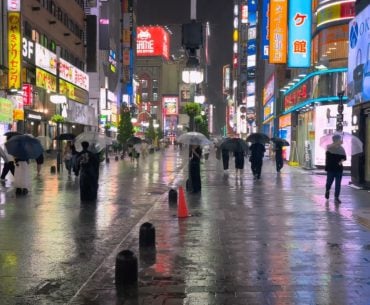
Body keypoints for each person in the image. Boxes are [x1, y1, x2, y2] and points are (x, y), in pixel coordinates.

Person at [325, 134, 346, 204]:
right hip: (331, 168)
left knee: (338, 184)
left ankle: (336, 197)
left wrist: (340, 162)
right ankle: (327, 190)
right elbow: (327, 156)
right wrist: (335, 146)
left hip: (339, 169)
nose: (340, 141)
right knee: (329, 182)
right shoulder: (329, 147)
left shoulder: (341, 148)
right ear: (336, 140)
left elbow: (344, 158)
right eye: (339, 139)